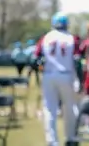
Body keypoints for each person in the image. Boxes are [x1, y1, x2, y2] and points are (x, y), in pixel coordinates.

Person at [35, 12, 79, 146]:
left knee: (49, 108)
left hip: (49, 74)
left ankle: (52, 141)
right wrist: (80, 79)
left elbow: (36, 58)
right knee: (70, 108)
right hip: (66, 74)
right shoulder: (72, 38)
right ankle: (71, 138)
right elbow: (77, 60)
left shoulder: (46, 38)